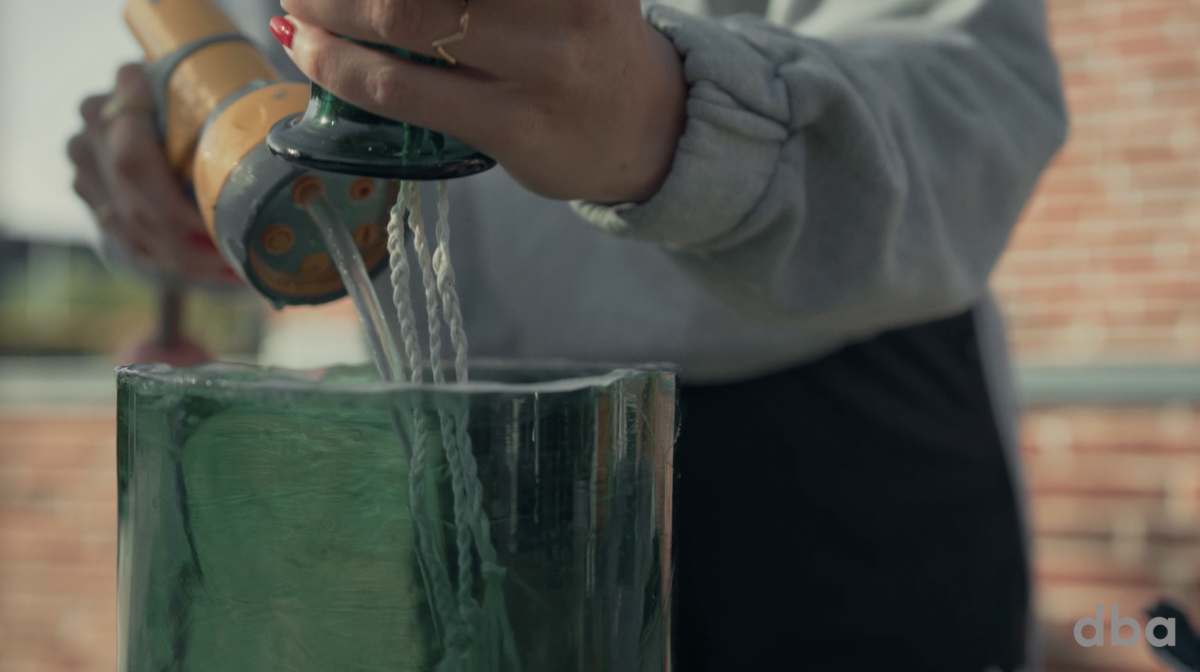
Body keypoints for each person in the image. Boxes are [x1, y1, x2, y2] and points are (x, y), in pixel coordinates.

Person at [69, 0, 1069, 670]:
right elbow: (266, 78)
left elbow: (978, 107)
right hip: (462, 475)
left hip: (827, 450)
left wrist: (676, 118)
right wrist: (166, 156)